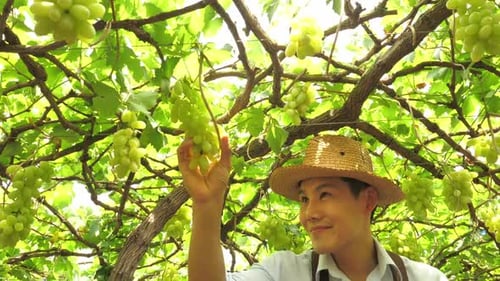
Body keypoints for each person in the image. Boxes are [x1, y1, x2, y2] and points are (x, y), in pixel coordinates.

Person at [177, 134, 448, 281]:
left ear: (368, 200)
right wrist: (206, 204)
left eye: (325, 194)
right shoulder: (283, 272)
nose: (309, 213)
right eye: (305, 199)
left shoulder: (425, 278)